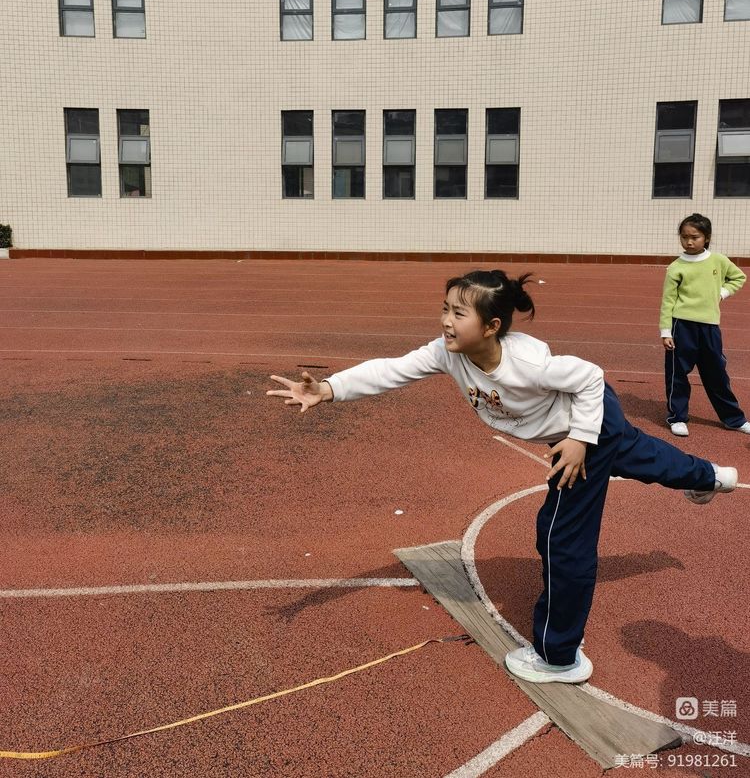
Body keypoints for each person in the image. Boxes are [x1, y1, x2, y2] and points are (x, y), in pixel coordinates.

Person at [267, 270, 737, 684]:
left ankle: (559, 658)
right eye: (445, 309)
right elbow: (393, 370)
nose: (447, 321)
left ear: (492, 327)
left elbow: (591, 377)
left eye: (459, 313)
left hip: (584, 431)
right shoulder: (446, 353)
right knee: (641, 455)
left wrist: (579, 439)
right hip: (593, 426)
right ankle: (710, 476)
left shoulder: (527, 363)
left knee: (561, 540)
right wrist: (329, 389)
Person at [660, 213, 750, 438]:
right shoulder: (675, 267)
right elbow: (668, 301)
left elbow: (738, 277)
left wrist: (722, 292)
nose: (689, 242)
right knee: (677, 374)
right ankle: (677, 417)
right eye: (684, 237)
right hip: (682, 327)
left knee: (717, 374)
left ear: (706, 238)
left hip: (709, 327)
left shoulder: (718, 260)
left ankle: (734, 419)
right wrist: (665, 331)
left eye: (695, 237)